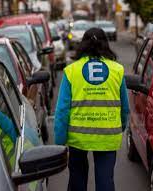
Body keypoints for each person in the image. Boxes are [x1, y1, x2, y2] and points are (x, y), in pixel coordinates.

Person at [54, 27, 130, 191]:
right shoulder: (117, 70)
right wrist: (121, 126)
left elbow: (62, 111)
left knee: (77, 180)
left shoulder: (71, 71)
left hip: (78, 137)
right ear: (105, 44)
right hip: (108, 135)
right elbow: (125, 107)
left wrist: (60, 140)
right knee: (105, 181)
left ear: (82, 45)